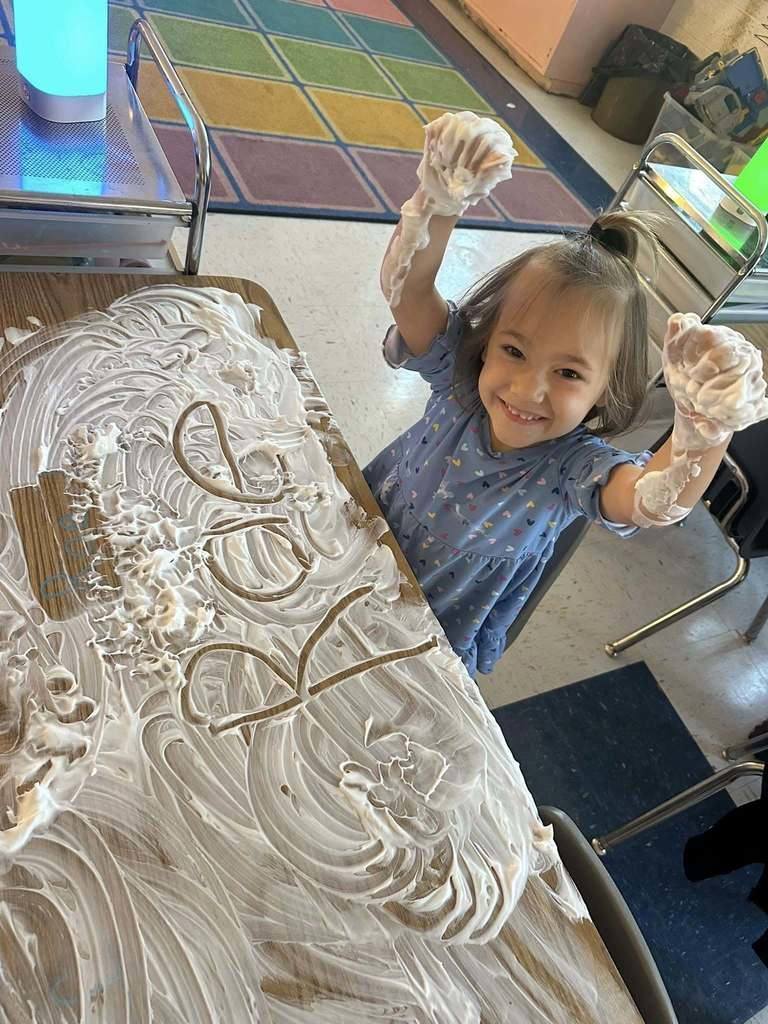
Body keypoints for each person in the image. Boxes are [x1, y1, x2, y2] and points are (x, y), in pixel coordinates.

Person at [364, 111, 768, 676]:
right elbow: (409, 295)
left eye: (570, 374)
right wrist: (437, 198)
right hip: (357, 543)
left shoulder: (571, 468)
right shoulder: (460, 381)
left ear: (605, 392)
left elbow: (652, 500)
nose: (528, 389)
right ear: (487, 342)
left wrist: (703, 426)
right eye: (514, 351)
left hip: (421, 634)